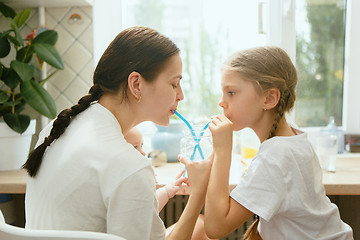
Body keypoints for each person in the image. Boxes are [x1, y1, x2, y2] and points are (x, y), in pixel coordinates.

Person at [23, 26, 213, 240]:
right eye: (174, 84)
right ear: (136, 83)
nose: (181, 96)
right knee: (200, 227)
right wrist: (198, 194)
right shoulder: (130, 166)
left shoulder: (57, 128)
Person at [203, 46, 354, 240]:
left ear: (269, 98)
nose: (221, 102)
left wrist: (223, 151)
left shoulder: (275, 156)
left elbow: (215, 228)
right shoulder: (294, 137)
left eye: (231, 92)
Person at [124, 127, 214, 240]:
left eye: (141, 146)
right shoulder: (125, 183)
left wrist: (166, 191)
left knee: (201, 222)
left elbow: (150, 208)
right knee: (202, 225)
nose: (143, 153)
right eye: (134, 147)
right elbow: (144, 212)